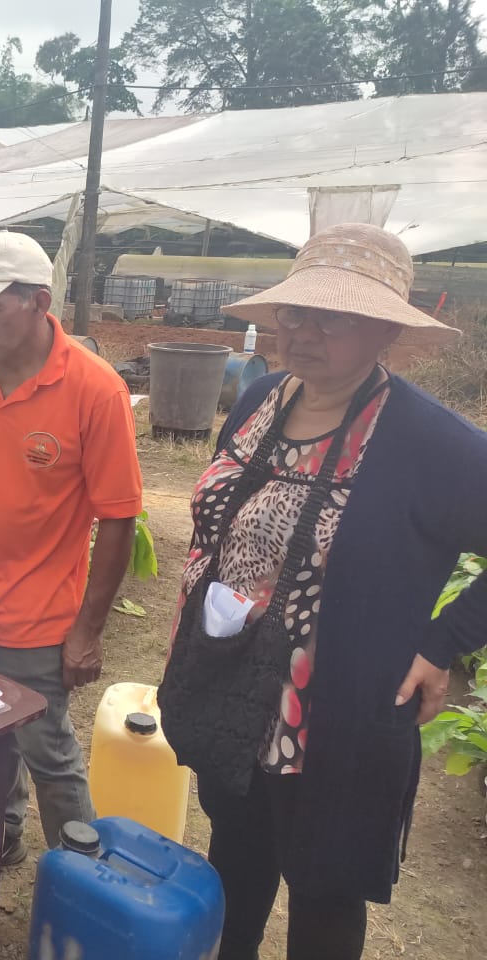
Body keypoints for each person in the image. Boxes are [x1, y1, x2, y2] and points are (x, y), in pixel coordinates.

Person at [158, 222, 483, 960]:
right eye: (296, 311)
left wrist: (443, 644)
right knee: (236, 857)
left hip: (334, 713)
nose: (304, 332)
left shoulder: (430, 443)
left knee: (325, 891)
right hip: (231, 683)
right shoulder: (260, 396)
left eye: (334, 317)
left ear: (387, 332)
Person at [0, 231, 142, 866]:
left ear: (38, 302)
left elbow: (119, 519)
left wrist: (88, 631)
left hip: (38, 616)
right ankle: (1, 837)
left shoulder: (95, 390)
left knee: (47, 750)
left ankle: (80, 881)